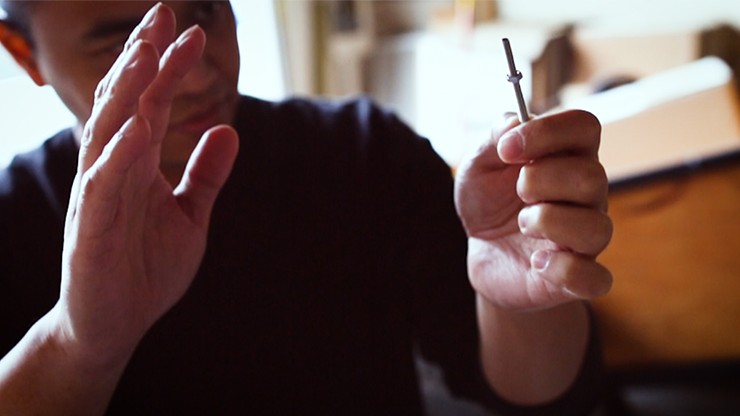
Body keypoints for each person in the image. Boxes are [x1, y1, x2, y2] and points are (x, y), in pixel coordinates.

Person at [0, 1, 613, 415]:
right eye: (127, 46)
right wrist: (80, 345)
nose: (198, 75)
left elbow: (539, 396)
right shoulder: (13, 224)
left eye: (206, 9)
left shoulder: (365, 153)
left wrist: (523, 301)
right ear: (23, 54)